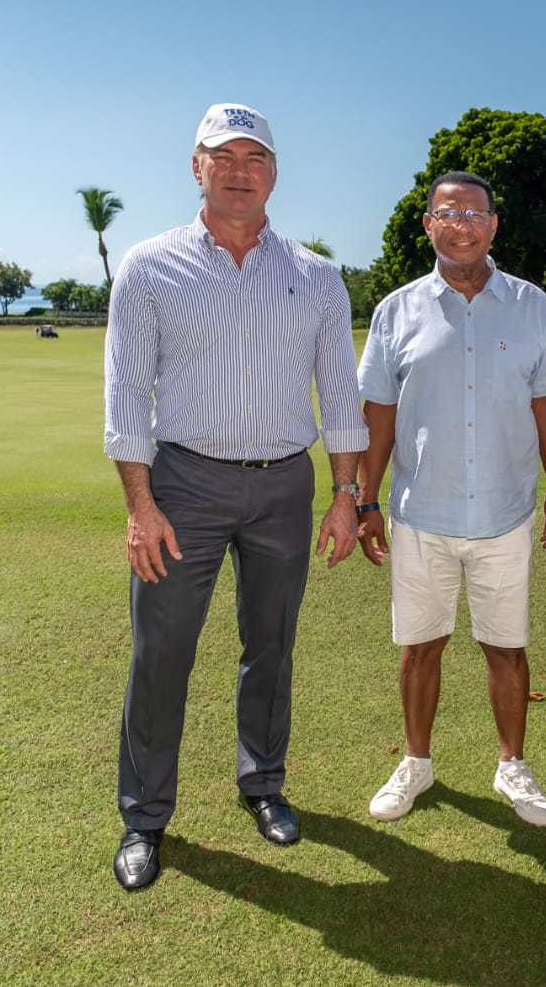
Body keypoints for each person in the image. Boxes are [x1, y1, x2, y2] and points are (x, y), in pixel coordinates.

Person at [102, 103, 367, 891]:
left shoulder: (316, 274)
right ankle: (144, 816)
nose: (240, 169)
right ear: (197, 167)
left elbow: (341, 396)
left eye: (256, 156)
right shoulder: (149, 266)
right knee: (162, 651)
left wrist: (348, 493)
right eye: (224, 155)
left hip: (286, 482)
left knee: (271, 645)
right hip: (183, 482)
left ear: (274, 173)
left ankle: (263, 783)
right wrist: (140, 505)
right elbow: (126, 398)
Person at [355, 171, 546, 827]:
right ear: (429, 224)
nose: (463, 223)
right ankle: (416, 763)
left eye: (475, 212)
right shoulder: (396, 309)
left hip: (506, 510)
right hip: (423, 509)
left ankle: (513, 765)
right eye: (448, 212)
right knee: (420, 645)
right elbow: (379, 412)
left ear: (493, 224)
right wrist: (365, 498)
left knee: (506, 647)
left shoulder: (532, 304)